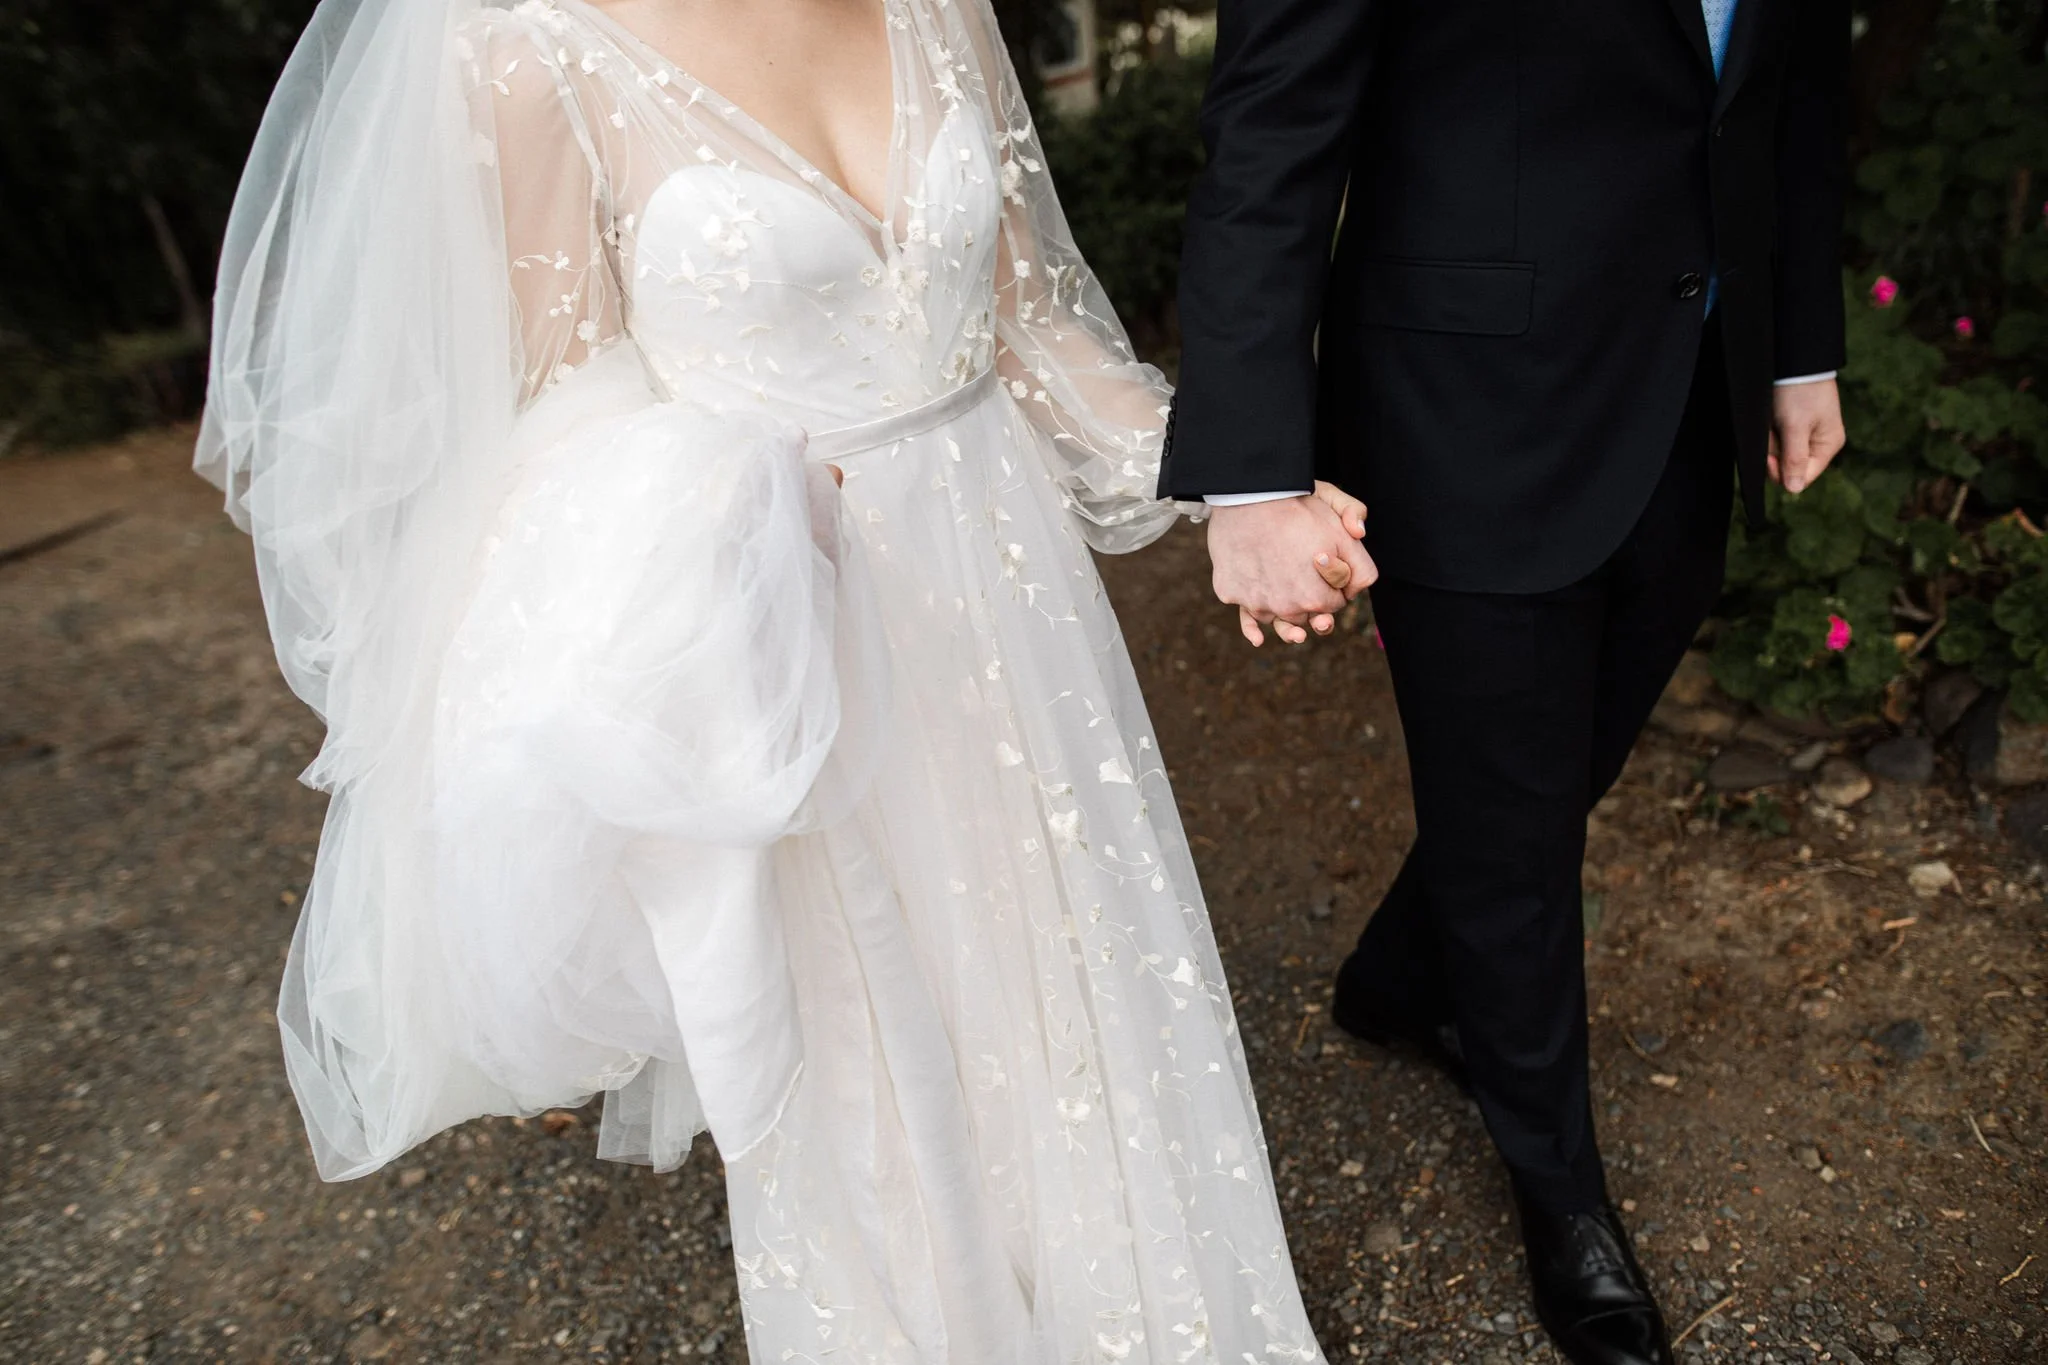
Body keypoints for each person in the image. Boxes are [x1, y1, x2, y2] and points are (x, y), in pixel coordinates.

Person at [197, 0, 1356, 1358]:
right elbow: (552, 428)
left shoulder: (940, 7)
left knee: (1072, 1000)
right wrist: (730, 509)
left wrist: (1245, 490)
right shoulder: (532, 48)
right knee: (875, 1070)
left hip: (1011, 601)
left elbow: (1034, 328)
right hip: (795, 641)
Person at [1163, 2, 1850, 1363]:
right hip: (1463, 401)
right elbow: (1271, 130)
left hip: (1687, 390)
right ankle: (1562, 1198)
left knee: (1538, 778)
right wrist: (1248, 475)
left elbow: (1792, 76)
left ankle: (1405, 974)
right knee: (1516, 815)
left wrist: (1797, 341)